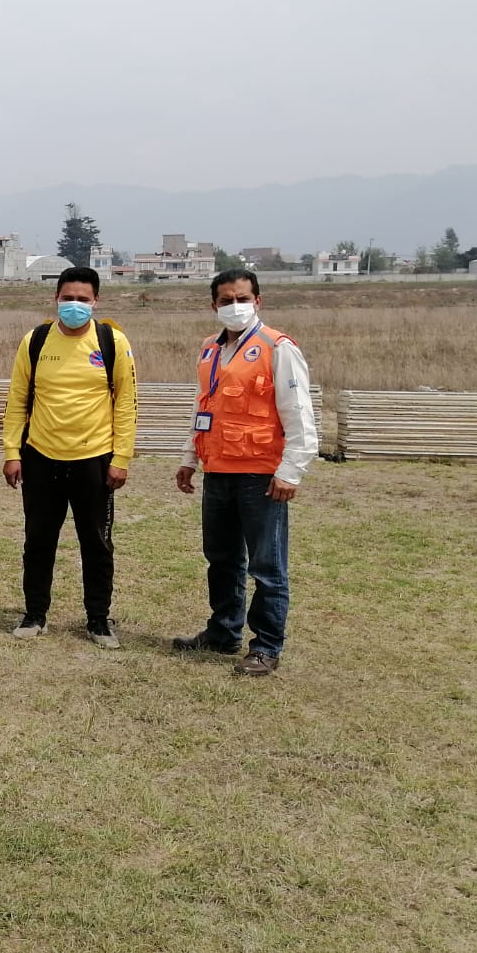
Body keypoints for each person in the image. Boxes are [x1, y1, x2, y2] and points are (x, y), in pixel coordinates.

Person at [172, 268, 317, 677]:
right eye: (225, 300)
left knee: (267, 566)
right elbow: (203, 408)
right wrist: (189, 457)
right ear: (213, 304)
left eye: (242, 298)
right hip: (218, 471)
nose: (234, 306)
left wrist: (291, 471)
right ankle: (223, 632)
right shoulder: (209, 350)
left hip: (260, 476)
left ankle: (267, 646)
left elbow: (299, 414)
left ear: (258, 301)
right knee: (221, 558)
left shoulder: (278, 347)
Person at [2, 266, 137, 649]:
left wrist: (121, 457)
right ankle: (34, 614)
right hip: (41, 458)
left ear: (96, 301)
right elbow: (17, 402)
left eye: (83, 299)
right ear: (55, 299)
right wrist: (12, 452)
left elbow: (126, 404)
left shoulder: (113, 342)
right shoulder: (36, 341)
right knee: (38, 541)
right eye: (67, 298)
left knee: (96, 543)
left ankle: (98, 620)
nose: (74, 305)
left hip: (95, 459)